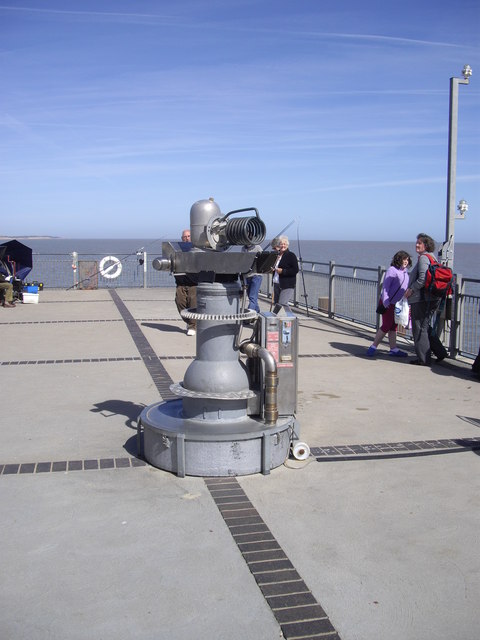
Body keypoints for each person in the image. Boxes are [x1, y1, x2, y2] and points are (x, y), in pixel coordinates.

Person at [404, 233, 443, 366]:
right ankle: (440, 352)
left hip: (421, 299)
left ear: (426, 245)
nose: (417, 244)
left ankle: (423, 359)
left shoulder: (423, 259)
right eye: (417, 242)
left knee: (419, 328)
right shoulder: (432, 258)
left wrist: (411, 290)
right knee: (425, 326)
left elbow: (422, 279)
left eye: (419, 243)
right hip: (431, 298)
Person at [366, 251, 412, 357]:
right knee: (386, 325)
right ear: (398, 259)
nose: (405, 261)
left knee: (393, 326)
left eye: (407, 259)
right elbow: (386, 287)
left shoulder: (405, 272)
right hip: (388, 303)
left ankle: (393, 349)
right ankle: (373, 346)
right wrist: (386, 301)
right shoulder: (392, 270)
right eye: (403, 259)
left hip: (397, 304)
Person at [175, 229, 197, 336]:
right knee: (180, 302)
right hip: (180, 282)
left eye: (188, 236)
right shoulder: (177, 250)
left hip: (193, 283)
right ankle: (189, 321)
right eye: (185, 237)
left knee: (193, 303)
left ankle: (193, 325)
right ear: (182, 238)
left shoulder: (196, 249)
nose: (187, 238)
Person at [271, 235, 299, 314]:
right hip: (276, 282)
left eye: (285, 244)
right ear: (278, 245)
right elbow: (275, 267)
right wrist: (273, 269)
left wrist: (283, 271)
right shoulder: (277, 255)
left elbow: (295, 270)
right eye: (281, 244)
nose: (283, 246)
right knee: (277, 303)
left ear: (287, 245)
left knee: (283, 302)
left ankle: (292, 319)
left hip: (287, 284)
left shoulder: (291, 255)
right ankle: (275, 319)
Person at [241, 243, 263, 312]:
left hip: (256, 275)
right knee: (251, 297)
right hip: (247, 276)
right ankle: (257, 312)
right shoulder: (243, 248)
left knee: (252, 296)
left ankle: (249, 314)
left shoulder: (257, 247)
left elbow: (262, 260)